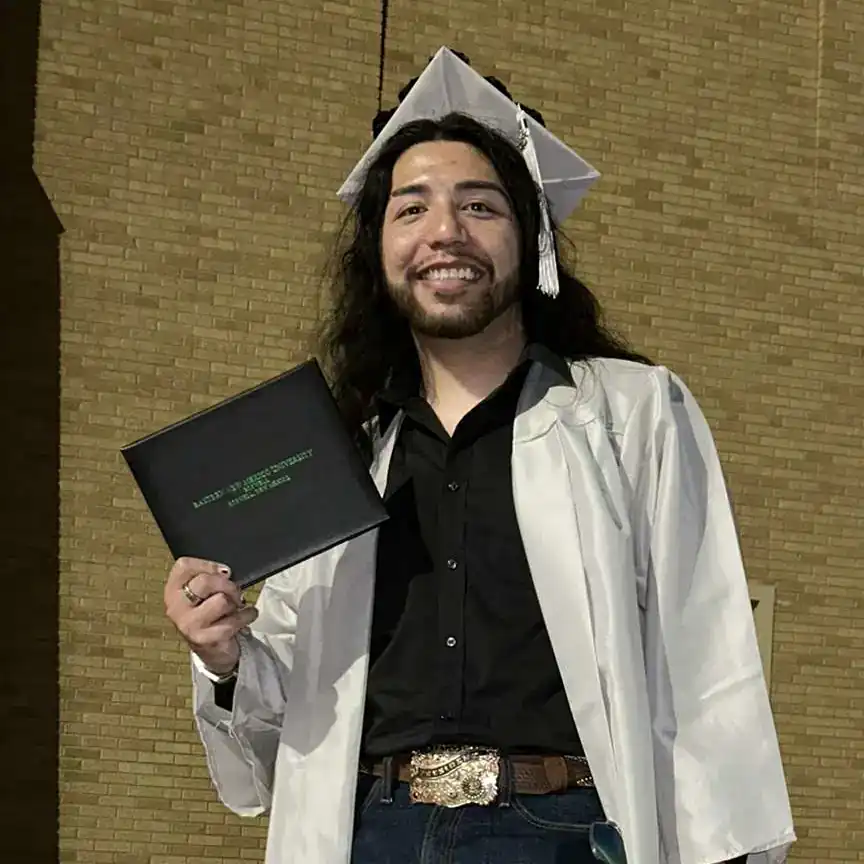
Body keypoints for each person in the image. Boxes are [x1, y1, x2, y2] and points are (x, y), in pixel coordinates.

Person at [163, 48, 795, 864]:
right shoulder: (339, 448)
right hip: (371, 831)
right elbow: (283, 716)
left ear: (529, 239)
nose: (444, 233)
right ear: (379, 249)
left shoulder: (630, 414)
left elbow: (701, 644)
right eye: (411, 208)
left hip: (563, 831)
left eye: (479, 206)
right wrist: (221, 655)